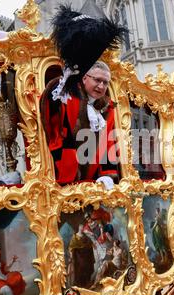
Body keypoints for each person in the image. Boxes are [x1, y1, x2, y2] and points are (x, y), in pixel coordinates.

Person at [40, 5, 128, 189]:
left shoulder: (107, 108)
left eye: (105, 82)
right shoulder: (63, 92)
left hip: (96, 183)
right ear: (85, 77)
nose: (101, 86)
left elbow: (109, 143)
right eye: (97, 80)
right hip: (63, 179)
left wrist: (107, 176)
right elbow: (52, 123)